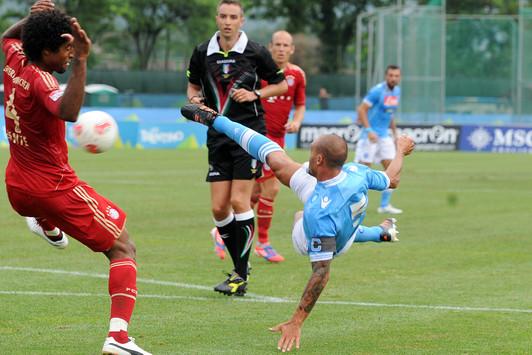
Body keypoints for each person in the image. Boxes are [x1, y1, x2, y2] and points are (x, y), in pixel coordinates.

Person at [180, 103, 415, 352]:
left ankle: (376, 233)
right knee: (277, 160)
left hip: (331, 236)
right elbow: (393, 179)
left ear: (320, 159)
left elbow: (321, 273)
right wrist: (400, 150)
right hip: (343, 216)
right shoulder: (356, 171)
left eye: (312, 153)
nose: (309, 156)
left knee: (300, 215)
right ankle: (216, 119)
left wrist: (296, 321)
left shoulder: (319, 214)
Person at [2, 2, 151, 354]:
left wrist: (34, 19)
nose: (70, 52)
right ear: (45, 50)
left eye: (73, 47)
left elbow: (8, 36)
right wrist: (83, 60)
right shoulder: (42, 81)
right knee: (123, 247)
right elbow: (68, 111)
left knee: (46, 210)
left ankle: (45, 224)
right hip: (50, 188)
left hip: (17, 186)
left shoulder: (14, 59)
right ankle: (118, 338)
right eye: (65, 47)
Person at [186, 0, 288, 296]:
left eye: (233, 17)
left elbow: (280, 84)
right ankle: (239, 267)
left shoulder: (256, 51)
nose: (228, 21)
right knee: (219, 208)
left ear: (241, 20)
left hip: (248, 136)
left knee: (239, 202)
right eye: (223, 16)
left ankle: (240, 274)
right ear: (216, 18)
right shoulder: (202, 51)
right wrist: (195, 102)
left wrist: (256, 93)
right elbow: (193, 87)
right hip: (217, 136)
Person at [211, 30, 306, 263]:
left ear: (292, 49)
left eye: (286, 45)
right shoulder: (257, 71)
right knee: (271, 189)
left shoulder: (297, 75)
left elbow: (300, 104)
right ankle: (263, 243)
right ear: (270, 47)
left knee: (254, 193)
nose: (282, 49)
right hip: (257, 136)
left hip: (279, 137)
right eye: (278, 44)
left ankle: (223, 231)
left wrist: (296, 121)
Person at [356, 64, 402, 214]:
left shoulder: (397, 92)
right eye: (391, 75)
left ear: (399, 77)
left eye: (396, 76)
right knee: (363, 172)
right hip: (370, 136)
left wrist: (395, 134)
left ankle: (384, 205)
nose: (393, 78)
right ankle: (356, 205)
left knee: (392, 171)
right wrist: (368, 130)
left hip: (384, 136)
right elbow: (361, 109)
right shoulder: (377, 91)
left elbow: (390, 114)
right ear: (386, 76)